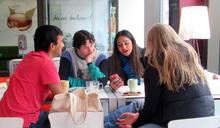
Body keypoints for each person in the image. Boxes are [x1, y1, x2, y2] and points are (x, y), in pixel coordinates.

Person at [104, 23, 214, 128]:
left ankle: (102, 124)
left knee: (133, 112)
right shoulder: (190, 58)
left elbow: (151, 109)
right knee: (137, 106)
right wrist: (138, 117)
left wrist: (134, 124)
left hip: (176, 121)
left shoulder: (154, 65)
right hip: (207, 118)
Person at [0, 25, 64, 128]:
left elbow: (32, 91)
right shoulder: (46, 62)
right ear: (52, 46)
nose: (63, 45)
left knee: (47, 116)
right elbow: (61, 96)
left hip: (4, 116)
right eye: (61, 41)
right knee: (59, 120)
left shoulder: (29, 57)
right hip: (21, 120)